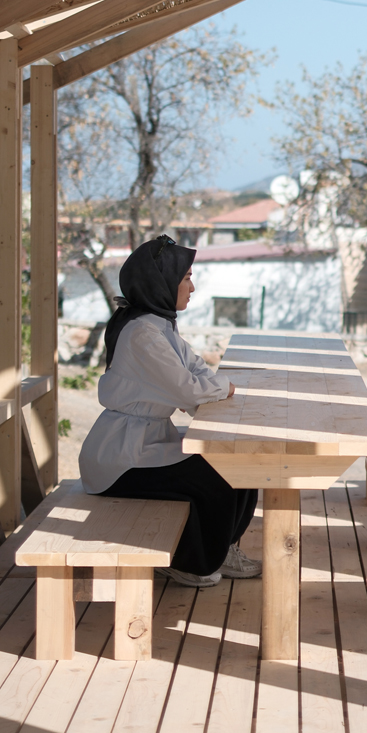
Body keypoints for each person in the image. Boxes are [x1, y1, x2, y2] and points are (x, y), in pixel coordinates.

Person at [79, 234, 260, 587]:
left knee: (243, 466)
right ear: (162, 282)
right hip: (121, 459)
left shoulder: (158, 324)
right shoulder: (142, 334)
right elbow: (190, 392)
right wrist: (225, 388)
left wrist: (214, 386)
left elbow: (198, 370)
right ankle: (191, 561)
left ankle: (221, 549)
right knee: (218, 480)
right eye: (186, 277)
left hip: (145, 442)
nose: (191, 287)